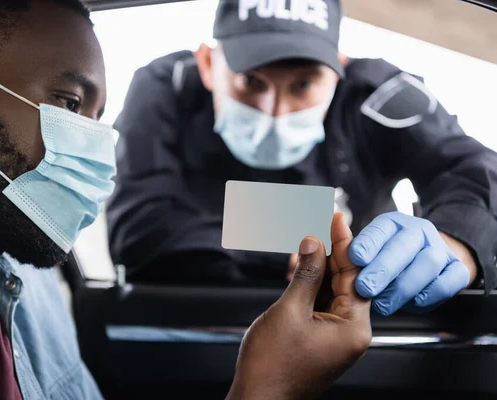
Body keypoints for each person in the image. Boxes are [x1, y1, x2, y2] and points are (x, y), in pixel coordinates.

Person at [0, 0, 372, 399]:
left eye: (97, 116)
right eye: (68, 103)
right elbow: (147, 229)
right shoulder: (163, 87)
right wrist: (264, 388)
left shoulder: (32, 291)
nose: (96, 145)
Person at [107, 0, 497, 316]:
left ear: (339, 71)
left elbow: (471, 168)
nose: (275, 111)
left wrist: (456, 240)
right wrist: (298, 250)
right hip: (203, 315)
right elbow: (140, 228)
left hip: (353, 311)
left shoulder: (378, 94)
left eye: (304, 84)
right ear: (208, 64)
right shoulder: (166, 87)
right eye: (250, 82)